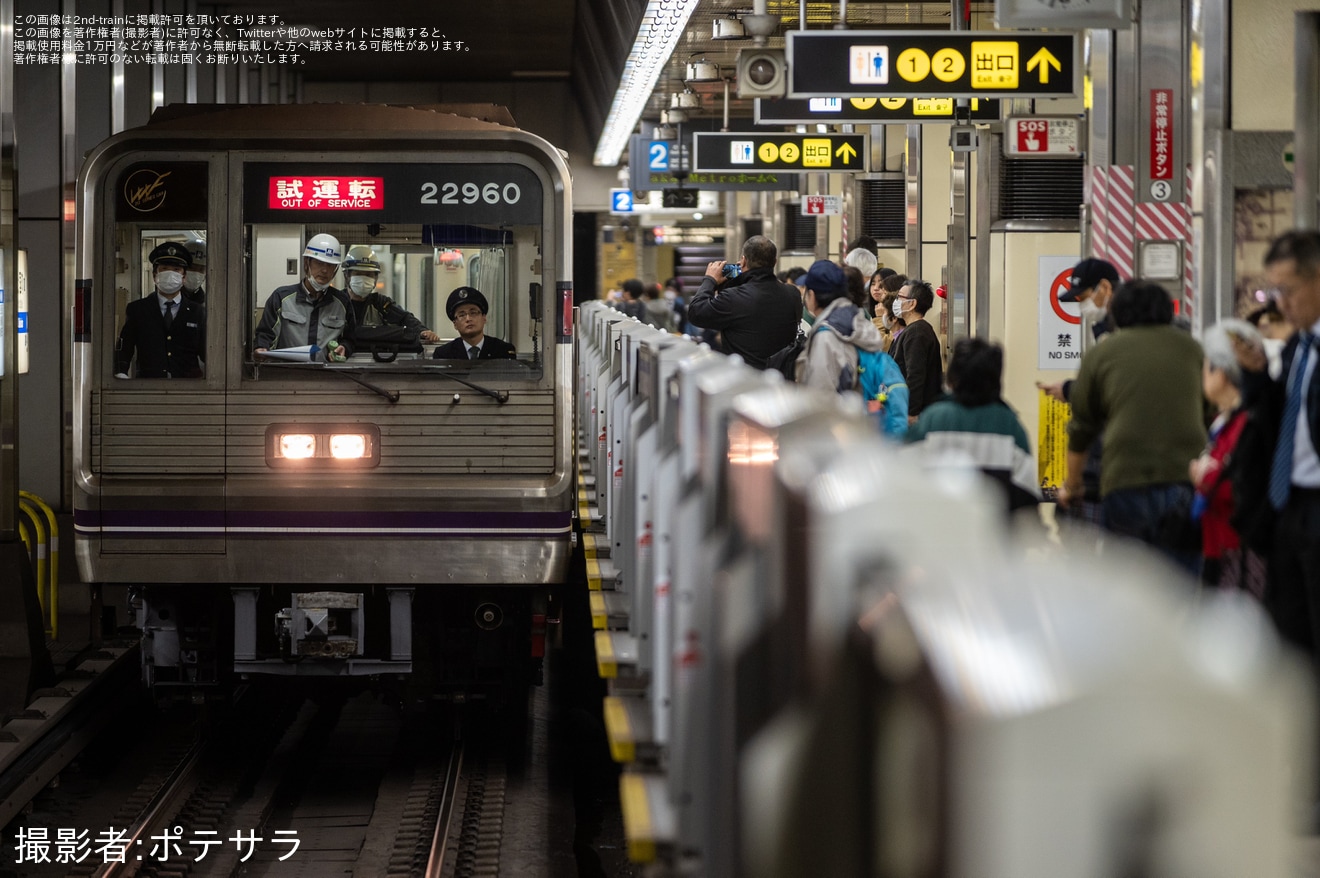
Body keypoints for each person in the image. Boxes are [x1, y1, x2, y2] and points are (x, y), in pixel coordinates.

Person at [1059, 280, 1206, 572]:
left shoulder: (1103, 352)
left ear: (1118, 313)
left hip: (1125, 480)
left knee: (1133, 585)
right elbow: (1211, 409)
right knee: (1180, 582)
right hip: (1185, 480)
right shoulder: (1193, 349)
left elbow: (1082, 428)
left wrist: (1072, 486)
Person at [906, 337, 1041, 514]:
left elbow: (901, 475)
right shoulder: (1009, 425)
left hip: (935, 529)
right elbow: (1027, 495)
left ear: (952, 378)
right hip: (994, 535)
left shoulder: (932, 419)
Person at [1190, 319, 1268, 597]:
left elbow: (1239, 485)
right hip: (1219, 545)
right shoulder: (1224, 421)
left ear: (1220, 371)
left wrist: (1204, 478)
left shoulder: (1245, 423)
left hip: (1236, 550)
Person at [686, 235, 802, 370]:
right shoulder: (792, 294)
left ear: (743, 261)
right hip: (782, 379)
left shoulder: (733, 298)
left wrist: (710, 280)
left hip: (745, 378)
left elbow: (696, 313)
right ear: (775, 262)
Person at [253, 233, 354, 361]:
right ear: (306, 263)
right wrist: (261, 348)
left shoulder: (342, 303)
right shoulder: (281, 298)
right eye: (319, 263)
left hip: (328, 376)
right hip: (285, 375)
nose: (324, 270)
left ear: (336, 269)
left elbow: (350, 339)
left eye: (330, 265)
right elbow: (265, 335)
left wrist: (344, 347)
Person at [114, 241, 206, 379]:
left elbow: (207, 352)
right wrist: (121, 373)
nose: (170, 274)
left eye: (176, 270)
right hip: (148, 387)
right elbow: (125, 348)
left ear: (184, 277)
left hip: (188, 389)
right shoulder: (138, 310)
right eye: (164, 269)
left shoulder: (198, 312)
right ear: (154, 275)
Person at [795, 259, 886, 394]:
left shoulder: (826, 335)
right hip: (863, 410)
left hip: (839, 412)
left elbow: (821, 393)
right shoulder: (859, 320)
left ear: (812, 296)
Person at [1038, 257, 1121, 403]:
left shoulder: (1129, 328)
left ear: (1105, 288)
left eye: (1084, 297)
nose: (1082, 305)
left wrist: (1068, 390)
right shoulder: (1107, 327)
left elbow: (1114, 385)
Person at [341, 245, 439, 343]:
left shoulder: (381, 304)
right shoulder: (337, 302)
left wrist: (422, 331)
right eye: (358, 273)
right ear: (347, 276)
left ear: (375, 279)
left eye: (368, 275)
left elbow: (405, 318)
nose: (363, 279)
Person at [889, 279, 943, 423]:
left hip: (915, 413)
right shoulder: (913, 330)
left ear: (912, 303)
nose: (896, 302)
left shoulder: (917, 332)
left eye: (900, 297)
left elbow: (915, 375)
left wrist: (910, 411)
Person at [432, 286, 517, 360]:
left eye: (473, 313)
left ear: (484, 318)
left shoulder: (503, 350)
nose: (468, 319)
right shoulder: (443, 354)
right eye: (462, 315)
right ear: (455, 324)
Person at [181, 237, 207, 305]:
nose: (196, 273)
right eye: (191, 267)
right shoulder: (167, 300)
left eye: (201, 269)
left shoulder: (207, 304)